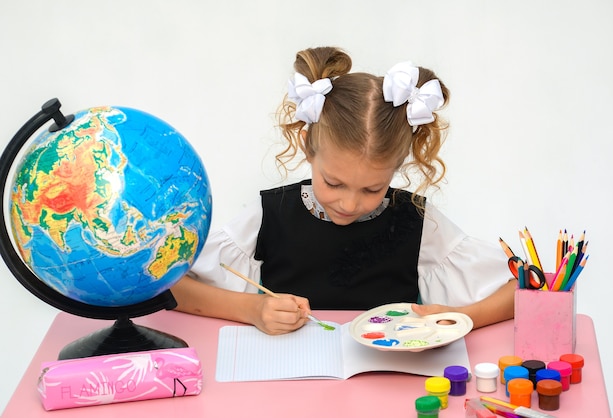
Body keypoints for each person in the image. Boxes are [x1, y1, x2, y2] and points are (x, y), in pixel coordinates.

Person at [171, 46, 516, 335]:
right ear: (308, 148)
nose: (350, 203)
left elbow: (527, 287)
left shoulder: (418, 221)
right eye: (334, 183)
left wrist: (461, 317)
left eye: (373, 188)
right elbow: (169, 285)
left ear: (396, 168)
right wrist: (253, 309)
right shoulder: (269, 216)